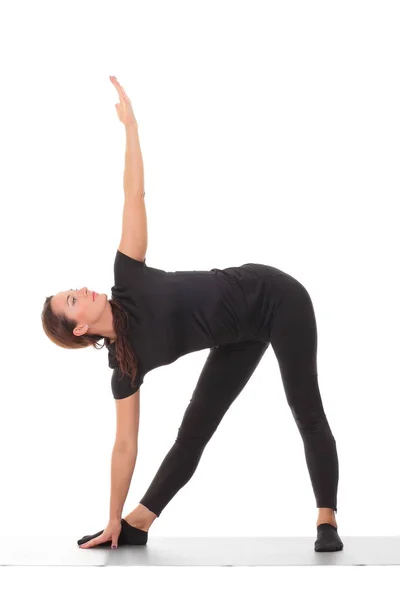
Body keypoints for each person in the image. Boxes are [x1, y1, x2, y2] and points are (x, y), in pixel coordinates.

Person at [41, 76, 343, 553]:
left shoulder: (128, 279)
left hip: (277, 296)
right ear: (79, 328)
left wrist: (131, 128)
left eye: (73, 289)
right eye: (72, 300)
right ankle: (135, 523)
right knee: (193, 432)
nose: (81, 289)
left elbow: (133, 196)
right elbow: (124, 448)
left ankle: (327, 519)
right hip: (236, 336)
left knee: (305, 406)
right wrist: (110, 517)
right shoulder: (125, 367)